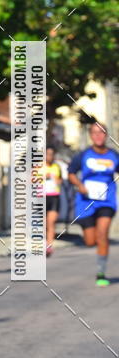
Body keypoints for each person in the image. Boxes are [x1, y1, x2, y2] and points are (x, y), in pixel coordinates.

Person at [67, 121, 119, 287]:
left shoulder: (113, 155)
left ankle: (101, 272)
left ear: (106, 135)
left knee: (103, 233)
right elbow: (71, 173)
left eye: (102, 132)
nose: (98, 135)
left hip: (107, 201)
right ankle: (96, 248)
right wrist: (79, 185)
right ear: (91, 135)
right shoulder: (83, 155)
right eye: (95, 132)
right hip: (86, 202)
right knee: (90, 240)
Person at [42, 146, 63, 256]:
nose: (49, 156)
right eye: (47, 154)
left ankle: (49, 246)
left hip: (54, 197)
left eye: (51, 154)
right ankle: (44, 243)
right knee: (43, 223)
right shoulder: (38, 167)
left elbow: (60, 181)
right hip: (41, 197)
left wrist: (55, 178)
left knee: (51, 222)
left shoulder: (56, 167)